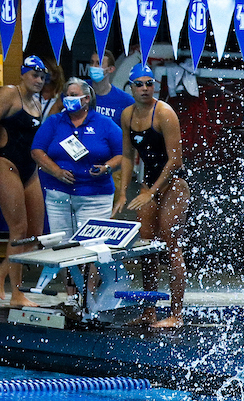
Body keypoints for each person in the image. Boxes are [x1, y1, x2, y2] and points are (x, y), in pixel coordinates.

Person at [114, 64, 190, 328]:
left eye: (149, 83)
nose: (145, 88)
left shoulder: (165, 113)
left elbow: (175, 161)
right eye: (139, 84)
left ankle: (176, 314)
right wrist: (123, 192)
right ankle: (149, 312)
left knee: (170, 243)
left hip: (175, 184)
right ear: (131, 87)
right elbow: (126, 155)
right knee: (147, 247)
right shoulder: (127, 115)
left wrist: (152, 193)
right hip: (150, 185)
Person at [32, 78, 123, 237]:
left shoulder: (105, 124)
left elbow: (123, 154)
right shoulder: (54, 121)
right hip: (58, 194)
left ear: (86, 98)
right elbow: (36, 151)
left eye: (73, 95)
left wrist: (107, 167)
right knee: (61, 247)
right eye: (66, 95)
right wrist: (56, 171)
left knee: (93, 247)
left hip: (95, 195)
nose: (68, 99)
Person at [0, 56, 51, 309]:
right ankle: (17, 295)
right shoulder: (10, 94)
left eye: (43, 77)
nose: (39, 80)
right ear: (23, 74)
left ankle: (0, 278)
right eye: (34, 75)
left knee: (34, 235)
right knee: (18, 230)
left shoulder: (37, 101)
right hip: (5, 164)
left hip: (29, 170)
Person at [88, 50, 135, 123]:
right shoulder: (79, 89)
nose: (93, 66)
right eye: (92, 62)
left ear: (111, 69)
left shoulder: (125, 101)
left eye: (98, 63)